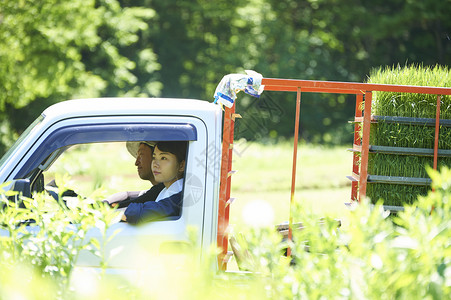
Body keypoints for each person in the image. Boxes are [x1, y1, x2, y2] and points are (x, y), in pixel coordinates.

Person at [121, 141, 187, 224]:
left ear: (181, 165)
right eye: (154, 158)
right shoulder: (164, 190)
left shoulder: (181, 197)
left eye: (163, 158)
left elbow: (137, 213)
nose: (155, 164)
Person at [104, 141, 165, 208]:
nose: (136, 163)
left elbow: (134, 203)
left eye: (141, 155)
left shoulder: (162, 191)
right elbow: (131, 195)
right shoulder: (160, 190)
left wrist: (103, 207)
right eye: (137, 156)